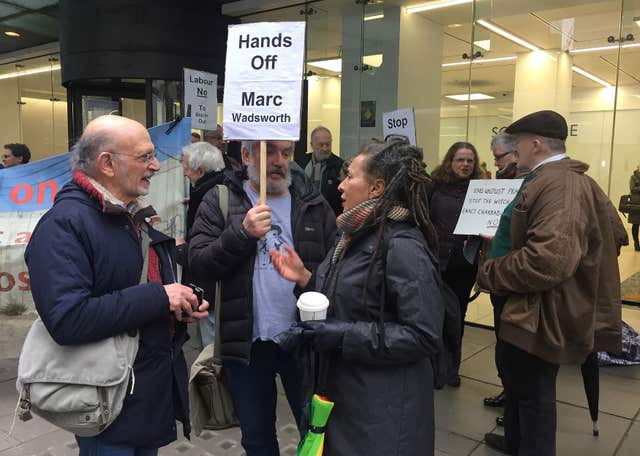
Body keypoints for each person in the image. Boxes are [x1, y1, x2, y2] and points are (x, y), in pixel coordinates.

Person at [24, 115, 209, 456]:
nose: (155, 165)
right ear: (107, 163)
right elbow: (68, 319)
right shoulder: (64, 226)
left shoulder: (130, 216)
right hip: (107, 402)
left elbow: (139, 293)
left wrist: (179, 307)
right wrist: (160, 297)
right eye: (144, 157)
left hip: (142, 397)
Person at [270, 140, 444, 456]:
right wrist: (306, 279)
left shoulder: (403, 246)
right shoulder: (351, 234)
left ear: (376, 187)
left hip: (382, 415)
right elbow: (351, 302)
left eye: (350, 177)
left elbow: (423, 335)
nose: (340, 185)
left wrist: (338, 336)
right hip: (348, 399)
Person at [478, 110, 627, 456]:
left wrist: (490, 273)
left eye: (517, 147)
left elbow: (550, 260)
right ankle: (515, 442)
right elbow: (613, 233)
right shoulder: (552, 178)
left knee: (533, 394)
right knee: (518, 385)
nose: (513, 154)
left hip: (538, 309)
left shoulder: (560, 185)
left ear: (535, 144)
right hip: (526, 302)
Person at [188, 139, 336, 456]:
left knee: (316, 433)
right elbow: (198, 263)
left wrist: (306, 276)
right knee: (256, 439)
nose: (279, 160)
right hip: (246, 345)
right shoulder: (221, 198)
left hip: (303, 341)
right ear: (246, 155)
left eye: (286, 153)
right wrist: (241, 232)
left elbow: (336, 267)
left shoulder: (312, 201)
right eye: (269, 151)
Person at [429, 141, 483, 387]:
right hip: (434, 260)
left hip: (463, 263)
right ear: (450, 161)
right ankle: (431, 366)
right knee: (432, 314)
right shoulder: (434, 187)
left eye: (470, 161)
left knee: (457, 317)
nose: (465, 165)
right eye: (460, 160)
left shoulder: (480, 190)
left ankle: (451, 368)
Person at [482, 132, 520, 412]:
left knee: (512, 342)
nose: (496, 164)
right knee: (502, 338)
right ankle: (509, 390)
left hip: (514, 276)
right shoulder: (503, 184)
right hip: (499, 274)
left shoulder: (529, 185)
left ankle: (515, 401)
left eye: (499, 158)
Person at [177, 141, 226, 346]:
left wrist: (182, 249)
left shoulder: (208, 197)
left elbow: (212, 248)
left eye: (187, 168)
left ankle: (213, 375)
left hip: (211, 286)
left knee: (211, 342)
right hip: (214, 286)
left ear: (201, 170)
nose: (185, 173)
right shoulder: (220, 189)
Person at [302, 126, 344, 216]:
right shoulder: (301, 163)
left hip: (330, 218)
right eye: (320, 145)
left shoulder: (339, 166)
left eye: (328, 144)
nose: (325, 149)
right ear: (312, 145)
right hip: (304, 217)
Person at [629, 166, 640, 251]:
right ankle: (636, 243)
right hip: (636, 204)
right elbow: (632, 189)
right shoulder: (633, 177)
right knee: (635, 225)